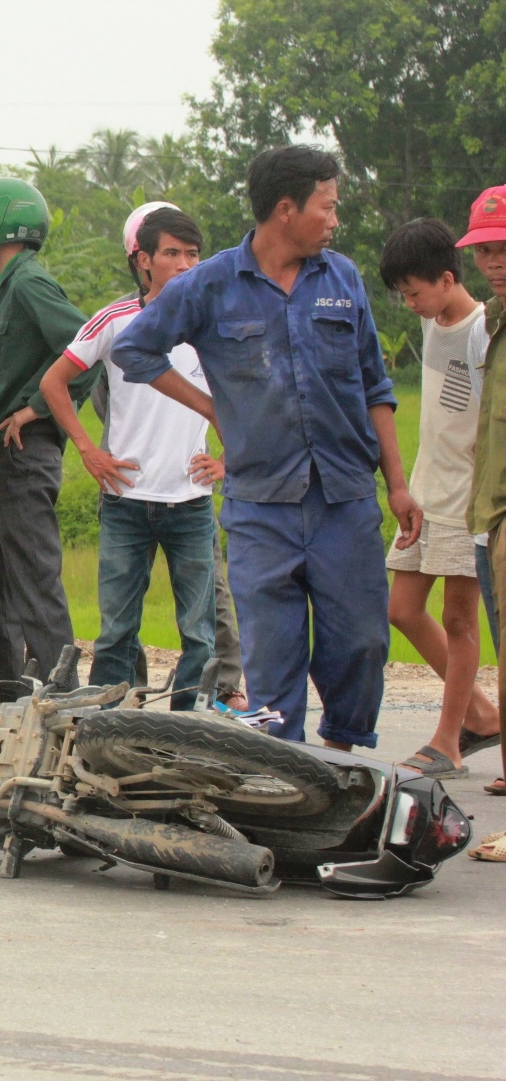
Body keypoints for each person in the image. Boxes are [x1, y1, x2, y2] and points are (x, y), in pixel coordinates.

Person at [112, 145, 420, 751]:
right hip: (261, 505)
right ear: (286, 210)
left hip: (345, 498)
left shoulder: (343, 279)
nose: (334, 221)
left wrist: (398, 483)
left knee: (361, 641)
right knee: (274, 659)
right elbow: (135, 351)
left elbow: (375, 385)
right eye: (326, 208)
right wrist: (211, 406)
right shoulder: (211, 284)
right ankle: (286, 779)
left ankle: (340, 754)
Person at [39, 203, 226, 710]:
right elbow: (54, 382)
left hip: (189, 501)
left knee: (199, 633)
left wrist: (227, 459)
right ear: (143, 260)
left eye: (192, 254)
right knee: (117, 629)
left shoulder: (213, 322)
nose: (185, 265)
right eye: (172, 254)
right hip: (126, 499)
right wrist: (88, 450)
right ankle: (106, 724)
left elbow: (249, 395)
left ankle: (187, 730)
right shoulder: (117, 320)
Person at [0, 177, 88, 681]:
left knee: (33, 581)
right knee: (0, 585)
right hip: (2, 462)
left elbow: (84, 353)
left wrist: (36, 409)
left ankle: (61, 692)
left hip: (26, 455)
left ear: (2, 224)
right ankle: (5, 689)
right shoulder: (7, 287)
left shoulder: (29, 282)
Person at [375, 218, 500, 778]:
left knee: (458, 619)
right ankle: (479, 714)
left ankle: (448, 740)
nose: (411, 305)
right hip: (426, 489)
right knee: (401, 609)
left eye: (415, 293)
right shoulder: (433, 324)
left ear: (447, 279)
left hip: (465, 499)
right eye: (403, 295)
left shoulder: (480, 331)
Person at [460, 183, 506, 811]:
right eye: (485, 249)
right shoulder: (493, 321)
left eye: (504, 246)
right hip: (492, 516)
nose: (493, 259)